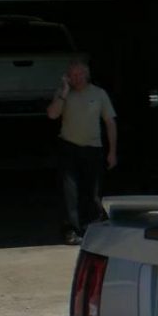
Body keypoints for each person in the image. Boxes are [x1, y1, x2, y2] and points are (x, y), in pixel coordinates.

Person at [47, 60, 117, 246]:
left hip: (93, 148)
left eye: (80, 75)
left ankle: (91, 227)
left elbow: (110, 123)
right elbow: (52, 115)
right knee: (69, 192)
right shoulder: (64, 93)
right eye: (73, 75)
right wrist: (63, 92)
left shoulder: (99, 94)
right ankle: (71, 230)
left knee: (92, 192)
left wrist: (112, 151)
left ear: (87, 75)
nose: (76, 79)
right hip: (69, 147)